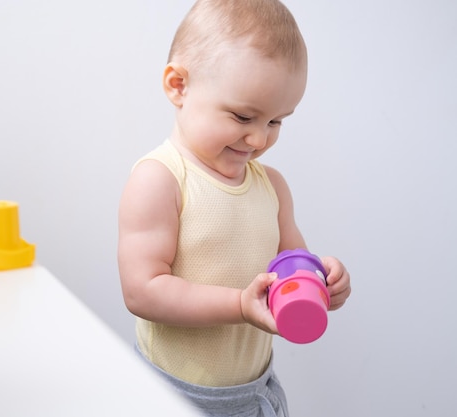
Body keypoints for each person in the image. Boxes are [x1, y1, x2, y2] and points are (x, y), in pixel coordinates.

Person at [117, 0, 352, 416]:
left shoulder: (272, 186)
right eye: (244, 116)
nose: (259, 140)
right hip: (174, 393)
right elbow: (143, 291)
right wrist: (239, 306)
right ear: (178, 86)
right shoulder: (160, 179)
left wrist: (323, 281)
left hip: (255, 392)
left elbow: (292, 268)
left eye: (276, 121)